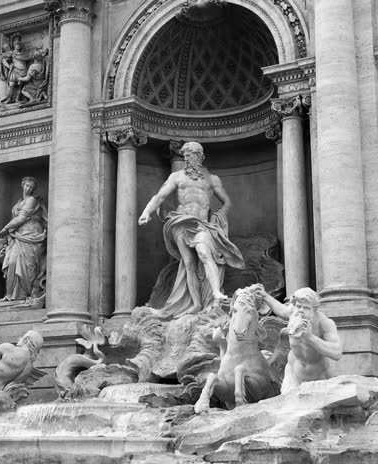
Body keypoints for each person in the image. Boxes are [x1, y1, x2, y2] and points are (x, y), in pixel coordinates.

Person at [138, 141, 244, 317]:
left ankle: (216, 293)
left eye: (191, 154)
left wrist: (218, 218)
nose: (187, 158)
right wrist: (146, 212)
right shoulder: (177, 177)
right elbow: (160, 196)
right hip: (181, 222)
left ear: (200, 156)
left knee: (203, 252)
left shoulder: (212, 179)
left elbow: (227, 202)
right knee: (188, 264)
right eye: (185, 155)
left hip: (202, 225)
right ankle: (195, 304)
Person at [256, 286, 342, 393]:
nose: (300, 311)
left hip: (320, 377)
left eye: (306, 308)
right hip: (293, 374)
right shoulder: (293, 312)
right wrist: (265, 296)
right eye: (298, 306)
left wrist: (310, 337)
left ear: (313, 309)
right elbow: (282, 310)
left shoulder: (324, 323)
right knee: (288, 407)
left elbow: (337, 352)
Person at [0, 176, 47, 305]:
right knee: (12, 261)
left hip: (31, 235)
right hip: (18, 236)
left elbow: (22, 218)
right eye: (27, 185)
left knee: (28, 266)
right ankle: (10, 295)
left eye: (31, 187)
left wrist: (6, 228)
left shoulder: (32, 200)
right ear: (22, 185)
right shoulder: (18, 203)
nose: (28, 188)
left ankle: (24, 295)